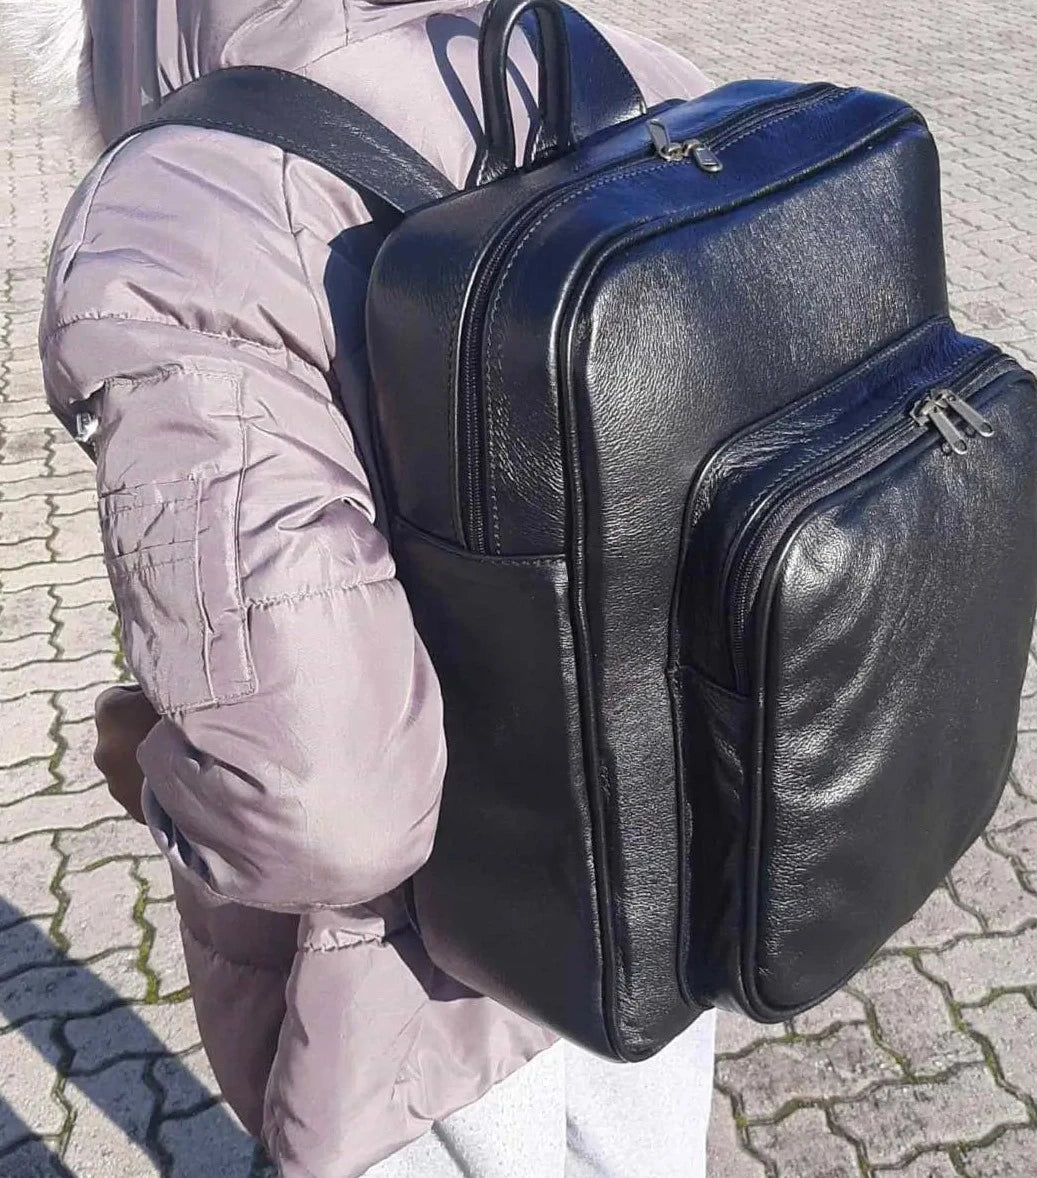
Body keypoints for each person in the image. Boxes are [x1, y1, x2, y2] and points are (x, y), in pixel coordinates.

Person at [1, 1, 717, 1176]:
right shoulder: (580, 56)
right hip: (665, 870)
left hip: (424, 1005)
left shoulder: (175, 218)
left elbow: (319, 803)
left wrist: (162, 777)